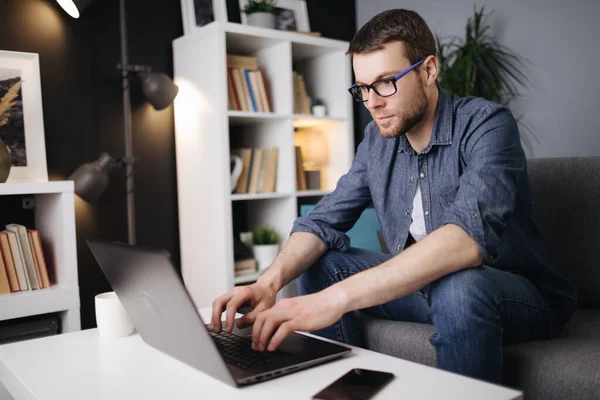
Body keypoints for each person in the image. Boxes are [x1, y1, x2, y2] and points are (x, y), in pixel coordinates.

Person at [210, 9, 577, 384]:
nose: (372, 102)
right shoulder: (376, 142)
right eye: (363, 88)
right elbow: (322, 221)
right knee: (323, 264)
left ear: (429, 70)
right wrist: (267, 283)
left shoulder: (487, 125)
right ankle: (345, 390)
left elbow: (466, 240)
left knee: (460, 285)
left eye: (386, 82)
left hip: (511, 295)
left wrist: (334, 299)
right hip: (429, 289)